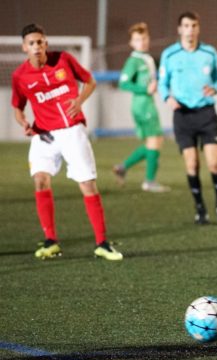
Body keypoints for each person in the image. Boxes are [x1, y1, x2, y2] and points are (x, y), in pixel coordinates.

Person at [12, 23, 123, 261]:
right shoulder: (20, 76)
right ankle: (51, 241)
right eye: (32, 43)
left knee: (87, 184)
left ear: (46, 43)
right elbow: (17, 108)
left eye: (40, 42)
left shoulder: (63, 59)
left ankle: (102, 243)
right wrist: (23, 123)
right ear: (24, 47)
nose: (37, 47)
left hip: (72, 131)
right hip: (43, 135)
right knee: (40, 181)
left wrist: (79, 101)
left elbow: (90, 81)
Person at [158, 11, 217, 224]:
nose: (190, 30)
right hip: (182, 115)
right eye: (186, 26)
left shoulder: (210, 53)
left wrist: (215, 88)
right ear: (180, 29)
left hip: (206, 114)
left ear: (198, 28)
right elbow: (162, 83)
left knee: (214, 164)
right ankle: (200, 207)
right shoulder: (169, 55)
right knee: (192, 165)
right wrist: (167, 97)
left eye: (193, 26)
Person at [113, 22, 170, 193]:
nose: (142, 42)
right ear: (131, 43)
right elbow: (123, 83)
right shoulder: (134, 60)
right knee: (155, 140)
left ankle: (123, 167)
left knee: (154, 142)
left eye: (144, 38)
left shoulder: (147, 58)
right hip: (142, 104)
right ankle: (149, 182)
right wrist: (144, 89)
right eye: (137, 39)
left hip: (146, 103)